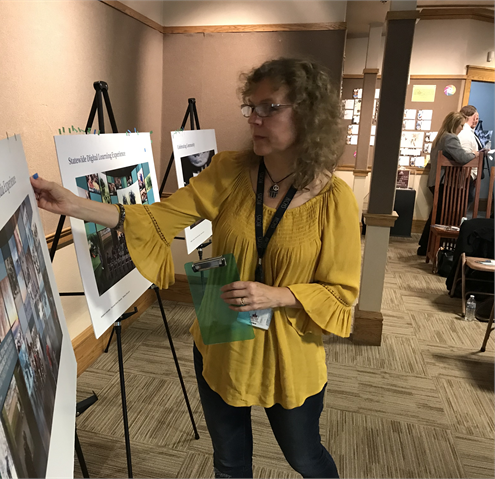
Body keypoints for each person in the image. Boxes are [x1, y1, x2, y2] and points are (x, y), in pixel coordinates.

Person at [31, 58, 361, 478]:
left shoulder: (335, 200)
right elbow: (157, 218)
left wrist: (280, 295)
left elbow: (341, 292)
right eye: (250, 108)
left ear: (309, 115)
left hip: (289, 354)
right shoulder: (229, 171)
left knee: (306, 458)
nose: (254, 119)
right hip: (222, 337)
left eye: (269, 108)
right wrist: (74, 204)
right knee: (229, 464)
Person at [417, 112, 477, 256]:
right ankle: (428, 247)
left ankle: (425, 246)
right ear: (455, 124)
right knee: (440, 216)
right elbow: (462, 157)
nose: (462, 129)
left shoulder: (440, 137)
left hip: (437, 180)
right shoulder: (450, 138)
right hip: (445, 181)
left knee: (436, 214)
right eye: (461, 125)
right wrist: (475, 154)